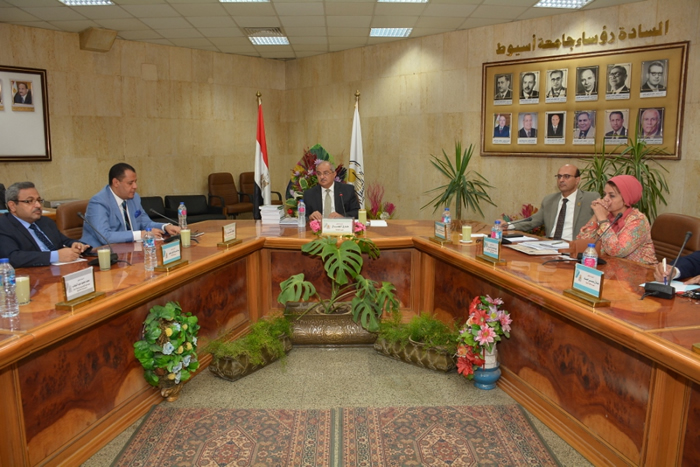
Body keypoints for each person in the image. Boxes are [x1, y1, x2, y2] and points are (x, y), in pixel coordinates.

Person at [81, 163, 180, 246]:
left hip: (129, 250)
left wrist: (165, 227)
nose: (135, 186)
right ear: (116, 182)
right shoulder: (98, 202)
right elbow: (105, 236)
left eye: (135, 182)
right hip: (99, 254)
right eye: (130, 183)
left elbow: (145, 223)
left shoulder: (134, 198)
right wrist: (140, 234)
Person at [0, 182, 89, 268]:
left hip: (60, 269)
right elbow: (12, 257)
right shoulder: (4, 226)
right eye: (30, 201)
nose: (38, 205)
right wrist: (55, 256)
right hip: (32, 275)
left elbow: (64, 241)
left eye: (39, 200)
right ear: (12, 206)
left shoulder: (45, 221)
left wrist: (76, 245)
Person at [577, 175, 656, 265]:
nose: (605, 199)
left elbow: (616, 251)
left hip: (640, 270)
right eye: (604, 194)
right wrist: (596, 214)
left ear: (626, 200)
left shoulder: (638, 220)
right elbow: (581, 242)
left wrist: (602, 220)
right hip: (611, 268)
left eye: (612, 196)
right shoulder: (607, 215)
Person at [510, 165, 597, 241]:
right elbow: (532, 221)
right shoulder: (549, 200)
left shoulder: (590, 198)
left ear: (577, 180)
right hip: (549, 244)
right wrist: (508, 226)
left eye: (566, 176)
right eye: (559, 176)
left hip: (573, 246)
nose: (561, 180)